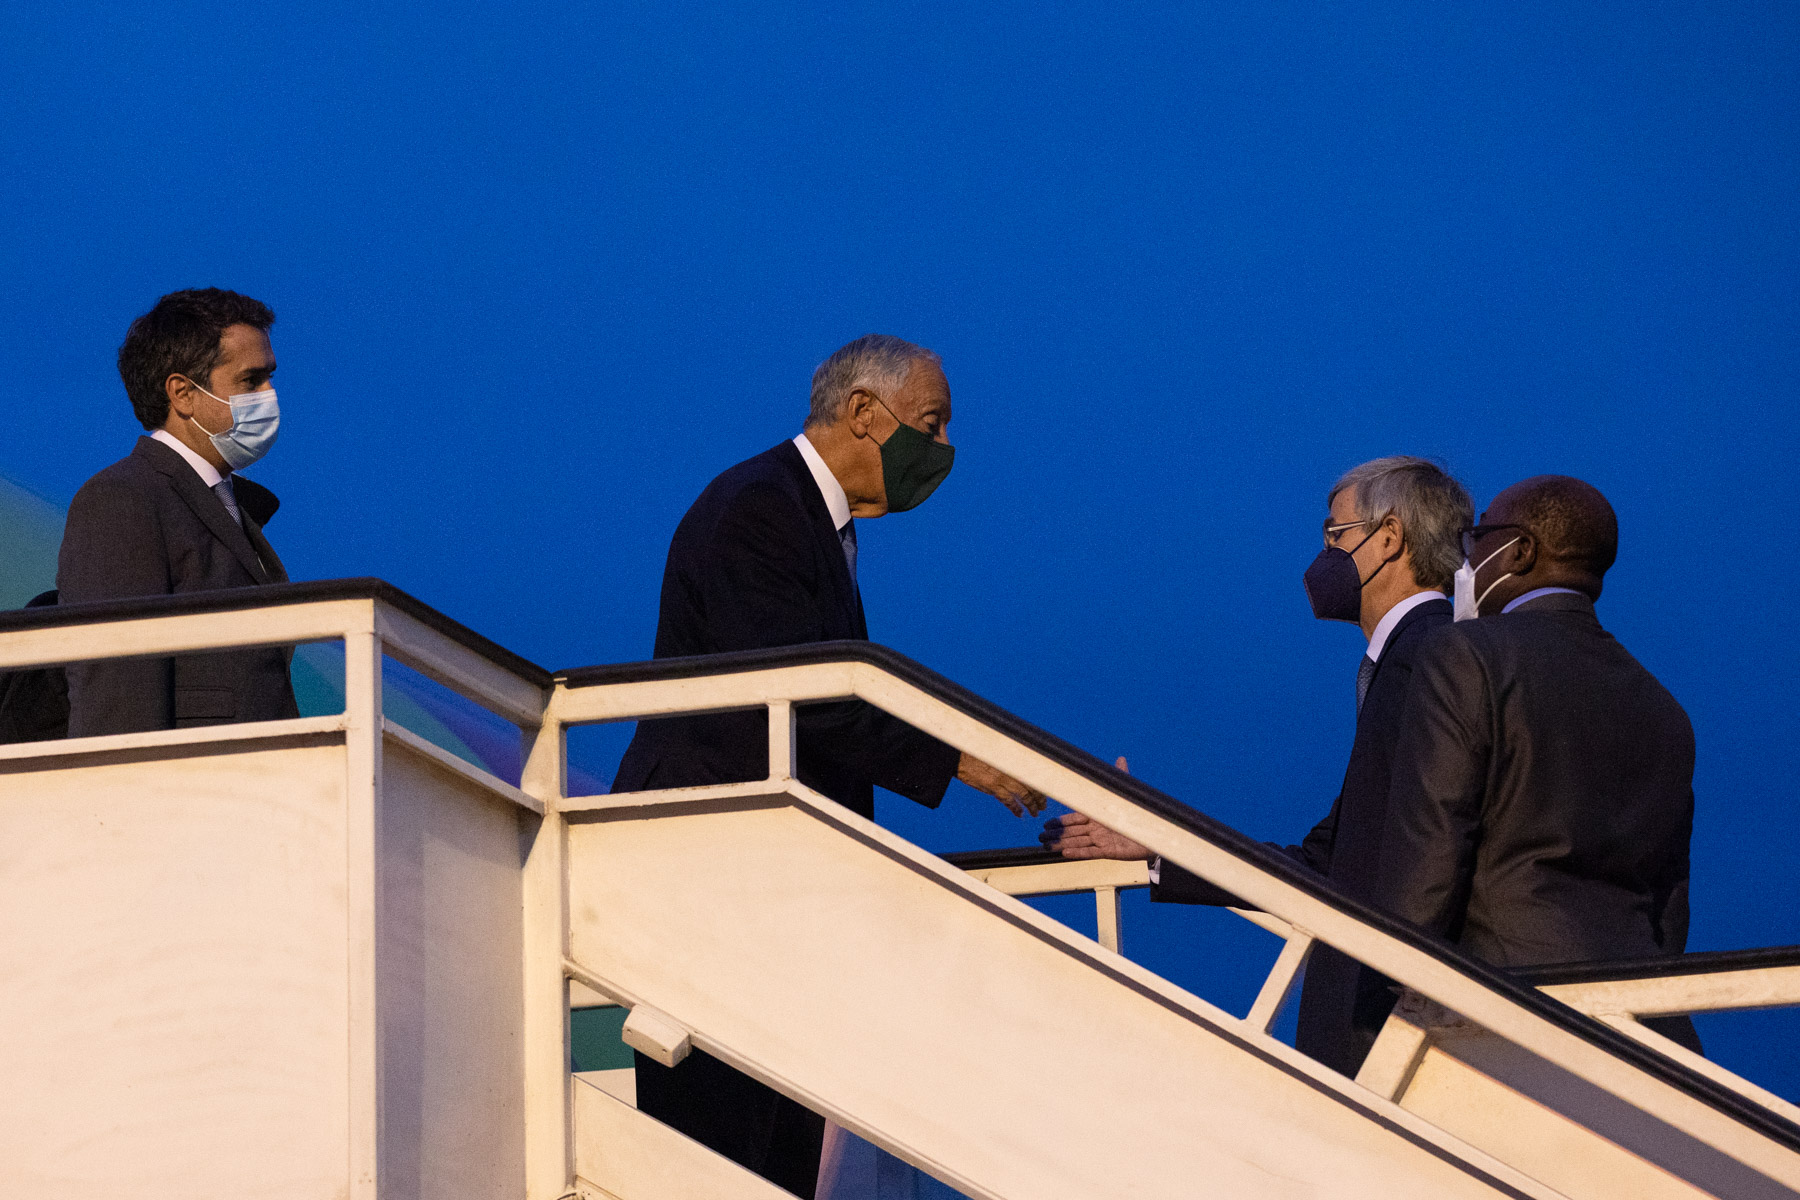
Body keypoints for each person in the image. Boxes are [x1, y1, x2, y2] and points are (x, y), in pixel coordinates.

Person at [612, 333, 1045, 1197]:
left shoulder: (808, 518)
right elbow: (801, 691)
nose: (944, 449)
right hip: (719, 878)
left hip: (778, 885)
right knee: (721, 1145)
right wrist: (958, 759)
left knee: (779, 1141)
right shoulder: (761, 509)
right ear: (863, 413)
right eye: (932, 423)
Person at [1043, 456, 1472, 1076]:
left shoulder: (1427, 659)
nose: (1323, 555)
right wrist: (1155, 841)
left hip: (1390, 1029)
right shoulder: (1416, 658)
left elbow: (1420, 856)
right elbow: (1328, 863)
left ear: (1389, 538)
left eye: (1334, 534)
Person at [1379, 475, 1699, 1049]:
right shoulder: (1666, 710)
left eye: (1477, 539)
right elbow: (1670, 906)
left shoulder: (1466, 655)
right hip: (1648, 1031)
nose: (1466, 560)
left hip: (1511, 1015)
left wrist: (1384, 989)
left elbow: (1430, 854)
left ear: (1520, 551)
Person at [57, 288, 297, 737]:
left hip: (258, 773)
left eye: (270, 377)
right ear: (183, 393)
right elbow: (116, 688)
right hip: (191, 776)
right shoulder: (122, 498)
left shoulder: (231, 504)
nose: (270, 394)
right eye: (251, 381)